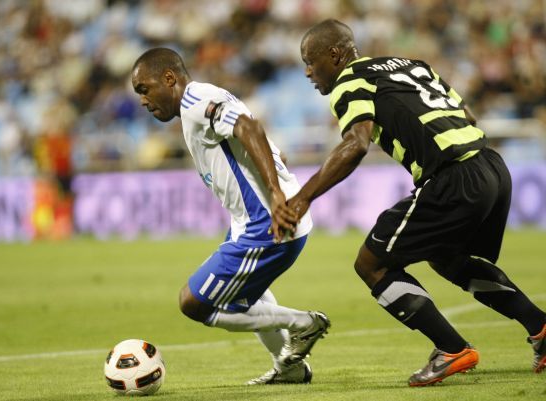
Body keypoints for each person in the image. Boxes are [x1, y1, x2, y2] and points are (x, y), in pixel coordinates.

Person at [276, 19, 546, 386]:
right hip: (490, 164)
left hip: (453, 177)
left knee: (371, 263)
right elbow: (467, 116)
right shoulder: (412, 65)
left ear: (335, 55)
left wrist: (302, 198)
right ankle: (541, 328)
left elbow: (356, 144)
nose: (308, 71)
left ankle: (451, 348)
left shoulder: (350, 82)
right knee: (447, 258)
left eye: (311, 60)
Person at [130, 48, 330, 385]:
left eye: (144, 89)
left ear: (169, 78)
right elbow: (250, 138)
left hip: (268, 224)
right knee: (243, 296)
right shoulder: (196, 106)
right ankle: (290, 367)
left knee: (194, 303)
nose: (143, 100)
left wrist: (276, 193)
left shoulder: (196, 101)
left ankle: (304, 324)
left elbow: (248, 127)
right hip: (253, 223)